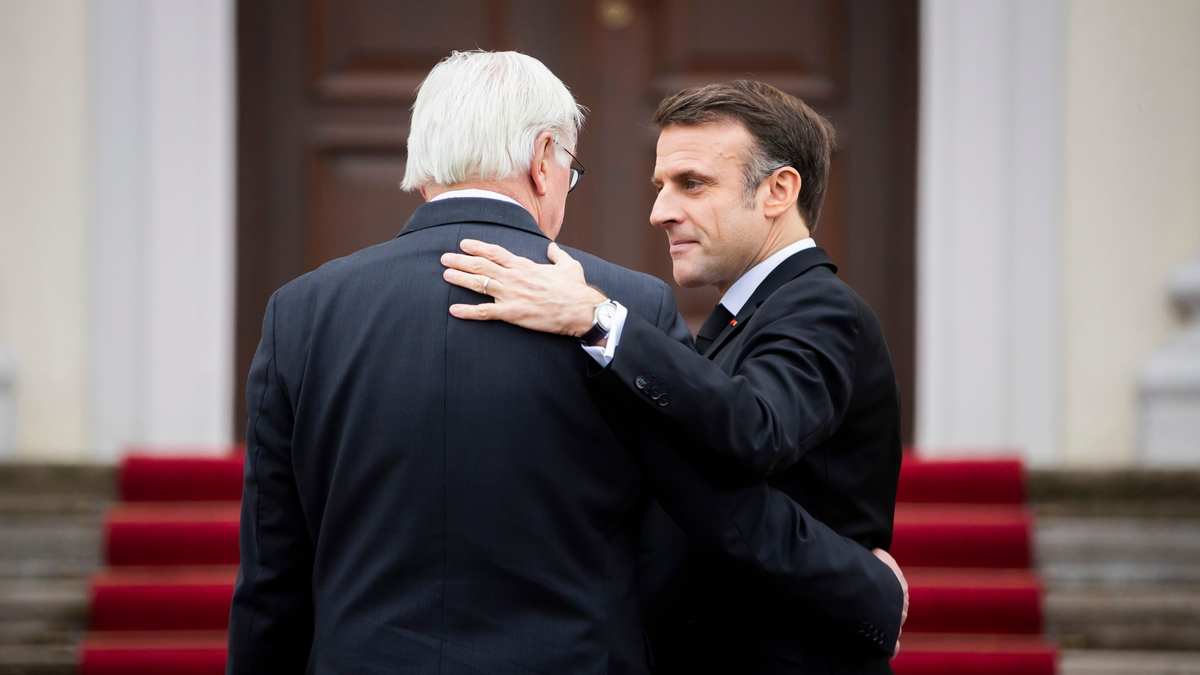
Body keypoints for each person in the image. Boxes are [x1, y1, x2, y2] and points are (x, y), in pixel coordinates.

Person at [228, 53, 904, 675]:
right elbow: (697, 515)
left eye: (690, 183)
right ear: (545, 159)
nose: (659, 211)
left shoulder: (302, 312)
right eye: (573, 172)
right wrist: (867, 587)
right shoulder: (629, 304)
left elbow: (272, 567)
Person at [441, 80, 905, 674]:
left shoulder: (821, 308)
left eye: (693, 184)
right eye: (661, 186)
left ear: (778, 191)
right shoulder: (748, 313)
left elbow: (754, 428)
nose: (660, 212)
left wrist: (595, 317)